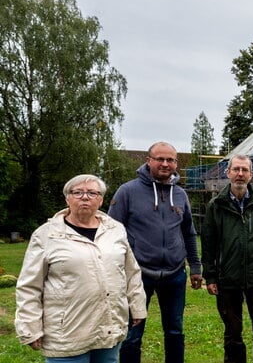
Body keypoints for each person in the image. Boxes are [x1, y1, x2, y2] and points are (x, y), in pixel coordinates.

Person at [15, 174, 147, 362]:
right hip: (67, 333)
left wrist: (137, 307)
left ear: (101, 200)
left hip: (108, 327)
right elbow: (30, 285)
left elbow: (131, 273)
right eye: (77, 192)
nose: (85, 197)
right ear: (67, 198)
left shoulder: (115, 230)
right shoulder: (47, 235)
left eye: (92, 193)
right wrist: (30, 327)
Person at [108, 141, 202, 363]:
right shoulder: (127, 191)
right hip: (137, 275)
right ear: (148, 160)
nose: (165, 164)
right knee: (132, 334)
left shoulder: (180, 194)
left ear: (176, 163)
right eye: (160, 159)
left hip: (175, 274)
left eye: (170, 160)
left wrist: (195, 266)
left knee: (175, 331)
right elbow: (111, 234)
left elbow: (189, 232)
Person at [201, 154, 253, 363]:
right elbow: (209, 243)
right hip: (227, 278)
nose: (240, 174)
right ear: (228, 173)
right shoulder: (216, 205)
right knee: (232, 332)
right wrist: (210, 276)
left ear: (251, 174)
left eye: (244, 170)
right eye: (236, 169)